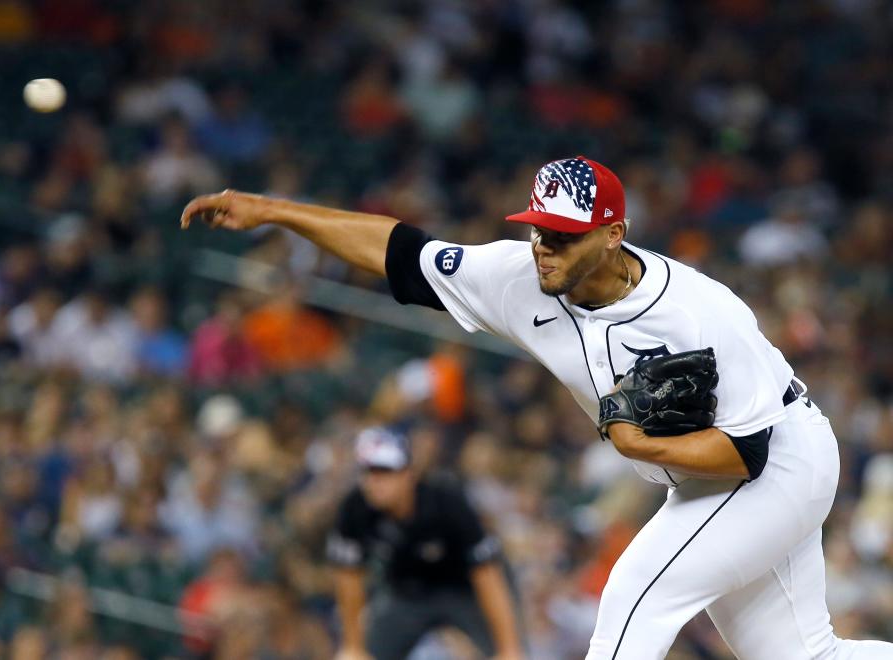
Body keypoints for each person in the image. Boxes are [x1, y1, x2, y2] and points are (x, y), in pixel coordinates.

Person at [180, 156, 893, 658]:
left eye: (562, 234)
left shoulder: (701, 312)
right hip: (714, 478)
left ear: (612, 235)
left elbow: (746, 452)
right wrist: (274, 212)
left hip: (778, 461)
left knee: (635, 594)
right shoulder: (520, 277)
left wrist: (640, 448)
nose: (543, 245)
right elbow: (401, 251)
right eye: (537, 227)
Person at [327, 426, 523, 660]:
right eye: (368, 472)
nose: (374, 481)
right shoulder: (355, 508)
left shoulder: (446, 502)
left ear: (408, 473)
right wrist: (353, 647)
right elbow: (348, 577)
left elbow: (487, 574)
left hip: (464, 590)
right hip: (405, 595)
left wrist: (509, 650)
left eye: (384, 471)